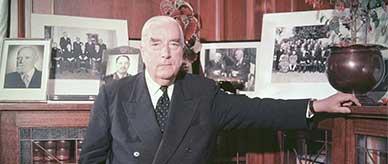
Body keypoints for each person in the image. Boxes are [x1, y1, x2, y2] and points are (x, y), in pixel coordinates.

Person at [80, 16, 361, 164]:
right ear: (142, 51)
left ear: (183, 52)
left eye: (174, 44)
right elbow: (91, 160)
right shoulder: (114, 94)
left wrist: (315, 106)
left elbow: (258, 111)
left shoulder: (202, 92)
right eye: (155, 44)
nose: (165, 53)